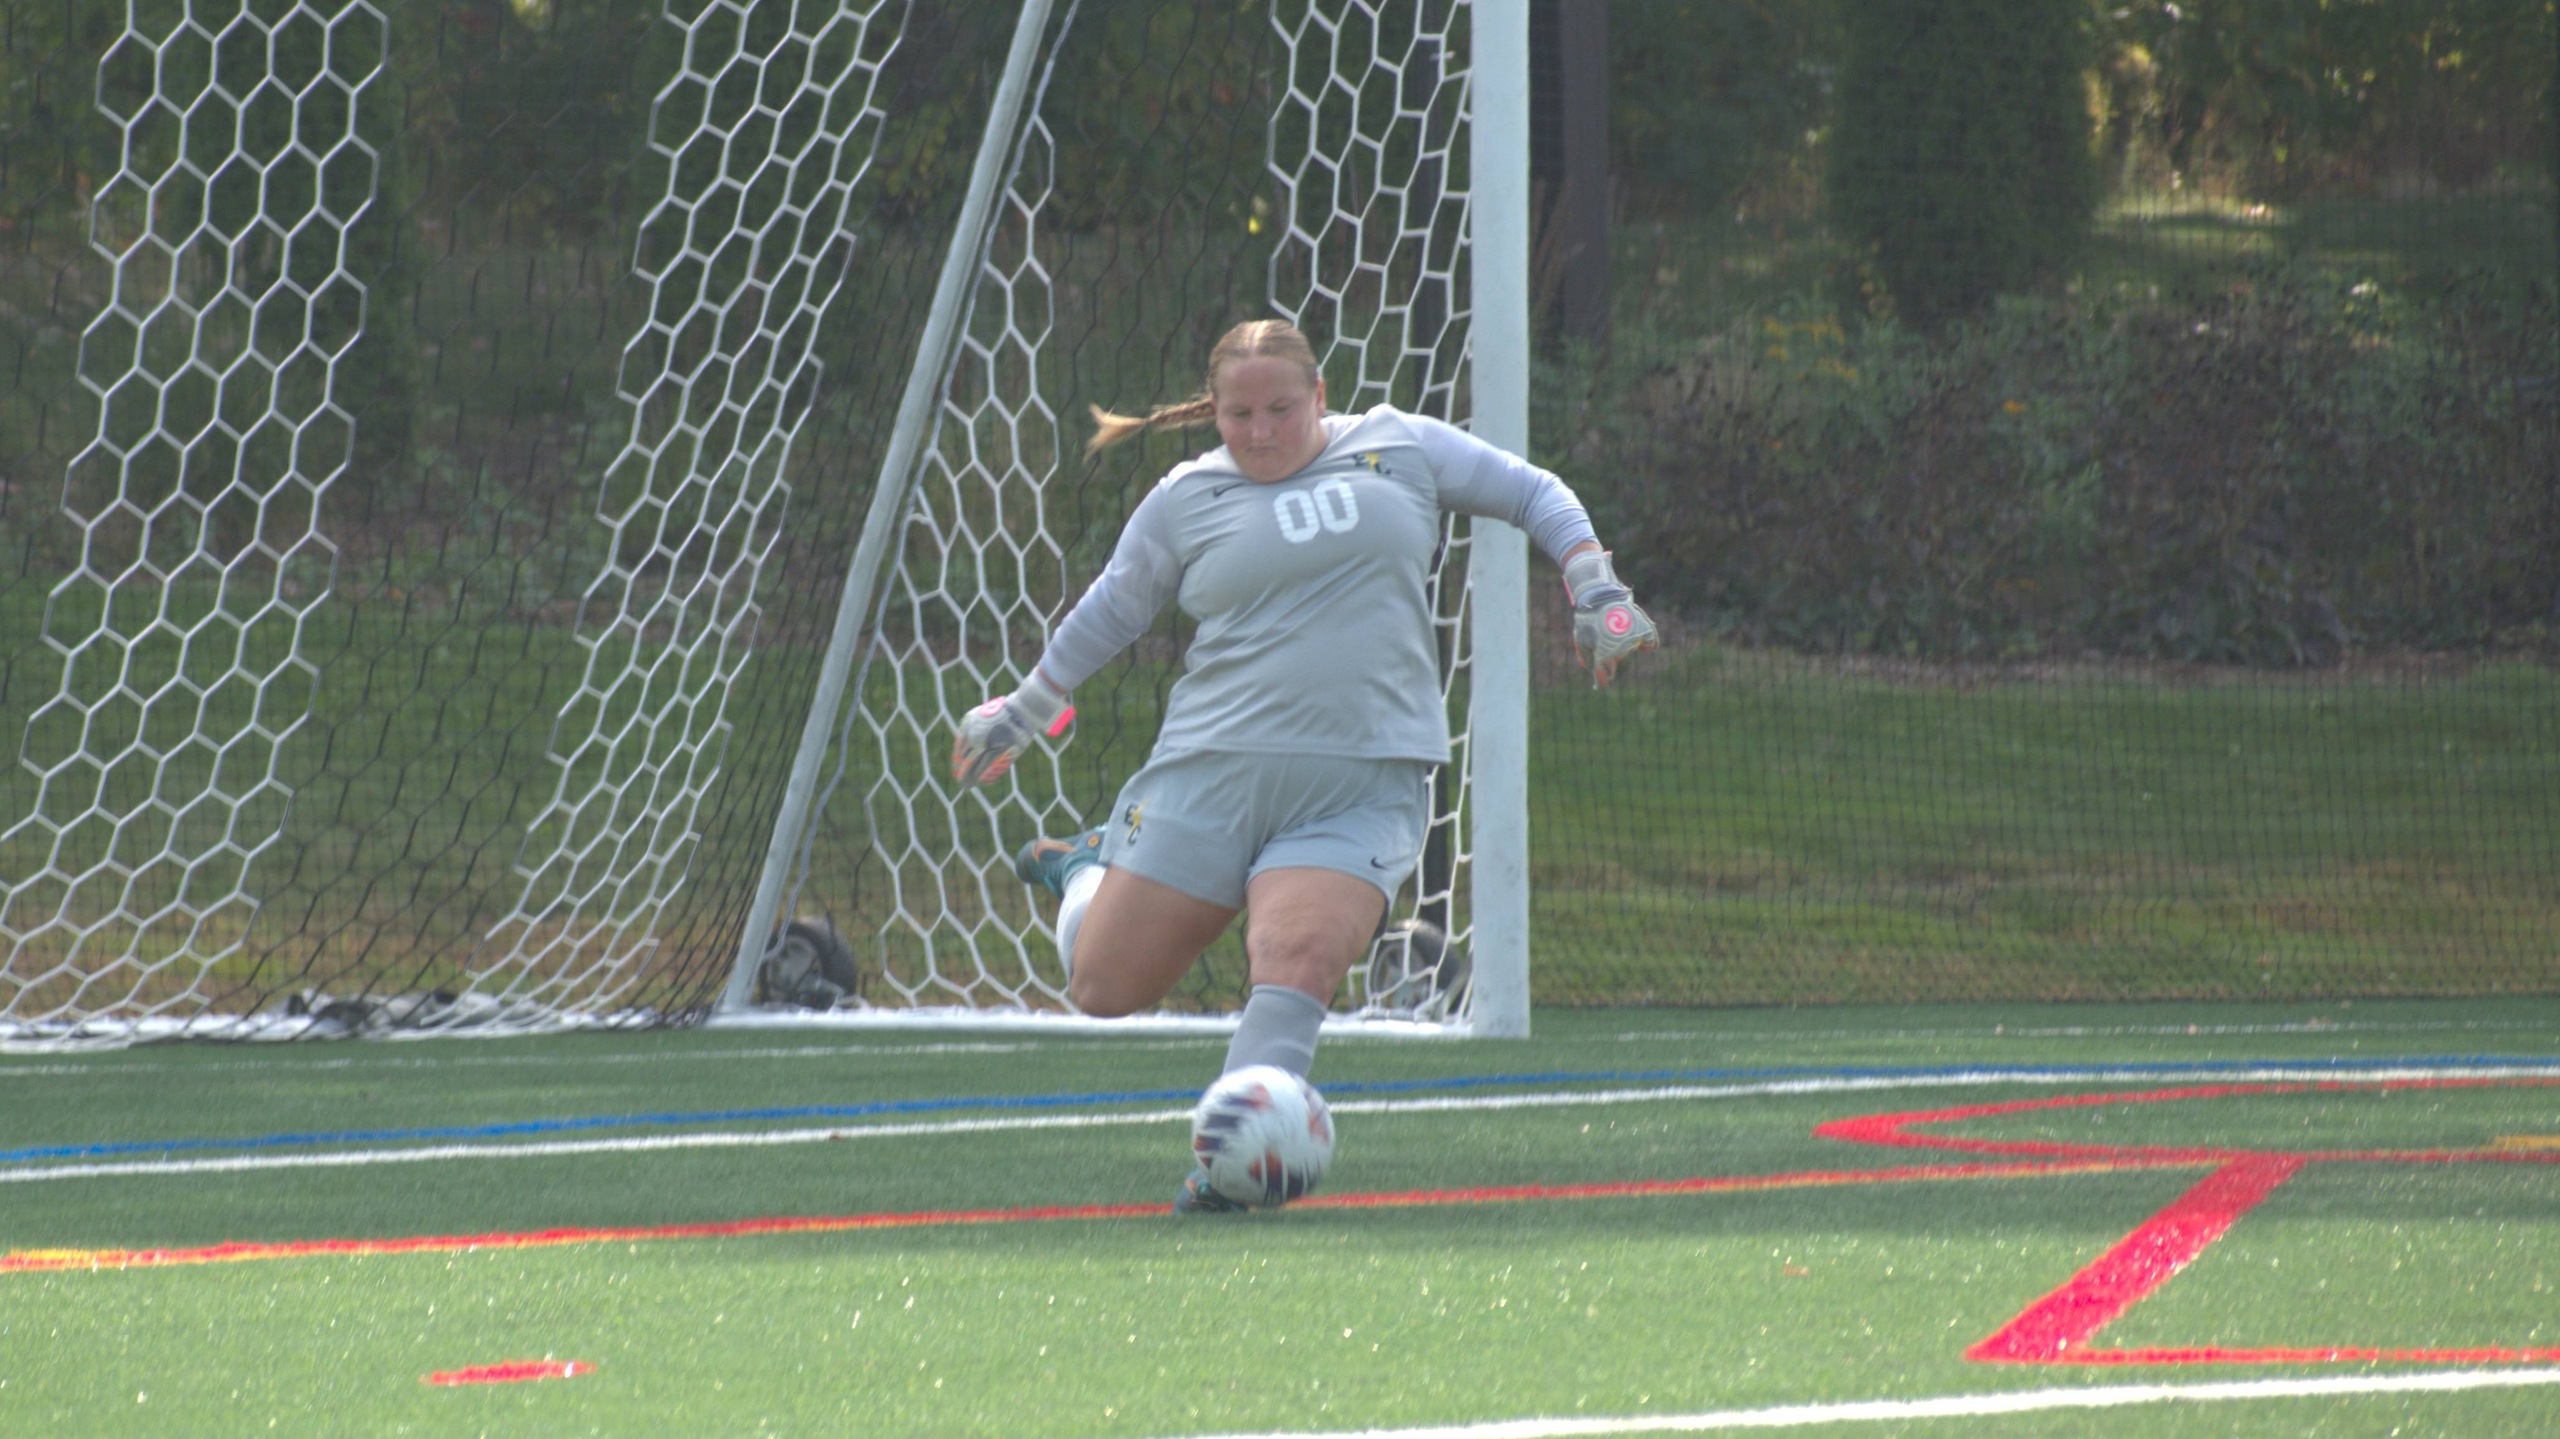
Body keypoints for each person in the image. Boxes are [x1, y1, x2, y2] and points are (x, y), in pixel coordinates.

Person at [950, 319, 1655, 1210]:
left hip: (1361, 778)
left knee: (1300, 955)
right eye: (1239, 415)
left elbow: (1534, 491)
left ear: (1320, 398)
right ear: (1214, 415)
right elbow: (1113, 607)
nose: (1261, 431)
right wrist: (1024, 710)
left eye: (1281, 409)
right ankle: (1090, 871)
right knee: (1103, 986)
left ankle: (1226, 1171)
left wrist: (1596, 586)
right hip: (1208, 771)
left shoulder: (1397, 445)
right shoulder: (1183, 497)